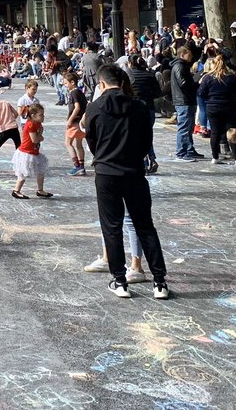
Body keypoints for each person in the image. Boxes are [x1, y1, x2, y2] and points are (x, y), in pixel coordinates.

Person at [84, 64, 170, 300]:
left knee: (111, 227)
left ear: (101, 85)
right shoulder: (139, 107)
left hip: (106, 172)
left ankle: (120, 280)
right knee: (145, 226)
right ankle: (159, 281)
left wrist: (102, 156)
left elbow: (91, 140)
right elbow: (146, 142)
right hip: (133, 170)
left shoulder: (94, 108)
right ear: (122, 82)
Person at [197, 55, 236, 166]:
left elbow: (201, 93)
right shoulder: (232, 77)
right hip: (229, 106)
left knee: (215, 132)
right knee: (232, 131)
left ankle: (215, 157)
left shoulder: (208, 77)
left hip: (212, 107)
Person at [12, 102, 51, 199]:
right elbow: (34, 139)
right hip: (26, 153)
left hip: (34, 152)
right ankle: (16, 191)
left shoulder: (38, 124)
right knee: (23, 173)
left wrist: (40, 134)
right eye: (41, 115)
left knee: (40, 171)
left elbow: (39, 134)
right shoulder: (30, 125)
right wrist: (40, 137)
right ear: (33, 115)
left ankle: (40, 190)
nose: (43, 117)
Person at [170, 46, 202, 161]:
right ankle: (181, 151)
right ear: (182, 54)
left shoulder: (182, 66)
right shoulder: (179, 66)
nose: (191, 56)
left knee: (188, 127)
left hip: (186, 100)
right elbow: (183, 83)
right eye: (189, 54)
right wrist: (196, 82)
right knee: (184, 127)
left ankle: (189, 149)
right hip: (183, 100)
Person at [63, 68, 89, 176]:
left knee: (68, 143)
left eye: (66, 83)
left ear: (72, 82)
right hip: (81, 123)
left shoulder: (73, 93)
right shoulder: (80, 92)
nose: (65, 85)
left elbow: (77, 107)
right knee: (79, 144)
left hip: (75, 122)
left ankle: (77, 165)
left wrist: (70, 120)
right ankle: (82, 167)